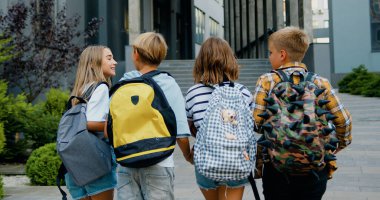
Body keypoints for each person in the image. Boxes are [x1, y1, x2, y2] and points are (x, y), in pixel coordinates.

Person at [252, 26, 352, 200]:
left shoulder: (267, 80)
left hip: (276, 169)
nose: (269, 57)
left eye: (270, 53)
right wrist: (338, 145)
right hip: (314, 169)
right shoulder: (321, 82)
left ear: (282, 54)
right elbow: (343, 120)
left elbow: (255, 123)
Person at [116, 32, 193, 200]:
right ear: (161, 56)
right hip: (159, 162)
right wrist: (188, 156)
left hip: (126, 161)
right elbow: (180, 131)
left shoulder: (124, 82)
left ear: (135, 54)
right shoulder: (169, 84)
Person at [185, 37, 254, 200]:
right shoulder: (242, 91)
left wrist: (189, 154)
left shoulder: (193, 93)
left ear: (201, 61)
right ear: (230, 60)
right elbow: (250, 126)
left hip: (207, 158)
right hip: (237, 158)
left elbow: (191, 127)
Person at [65, 45, 118, 200]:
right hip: (95, 164)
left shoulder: (80, 90)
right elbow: (91, 122)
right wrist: (115, 125)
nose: (114, 62)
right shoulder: (100, 87)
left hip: (74, 164)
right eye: (109, 58)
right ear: (94, 64)